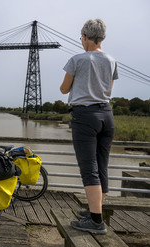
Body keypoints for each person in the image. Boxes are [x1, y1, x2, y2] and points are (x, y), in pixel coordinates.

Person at [60, 19, 118, 234]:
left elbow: (64, 89)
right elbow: (108, 89)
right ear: (102, 37)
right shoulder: (111, 60)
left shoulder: (77, 59)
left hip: (85, 116)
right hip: (106, 115)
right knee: (102, 165)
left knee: (88, 169)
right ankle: (96, 210)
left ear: (84, 36)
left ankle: (95, 221)